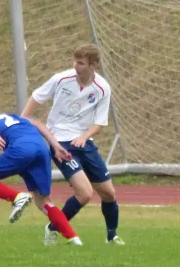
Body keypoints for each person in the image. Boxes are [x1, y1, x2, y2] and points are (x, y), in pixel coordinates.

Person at [21, 43, 124, 246]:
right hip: (60, 142)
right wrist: (22, 120)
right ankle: (54, 228)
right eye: (75, 61)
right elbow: (37, 96)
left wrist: (85, 136)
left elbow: (100, 122)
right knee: (85, 194)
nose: (76, 66)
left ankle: (111, 237)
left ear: (94, 65)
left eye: (81, 63)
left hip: (85, 142)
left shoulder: (103, 88)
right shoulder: (61, 79)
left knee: (109, 194)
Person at [0, 93, 83, 246]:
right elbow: (38, 124)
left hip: (22, 149)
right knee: (43, 201)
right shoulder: (12, 117)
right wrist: (56, 146)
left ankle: (17, 197)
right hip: (41, 150)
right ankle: (73, 238)